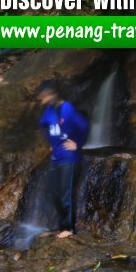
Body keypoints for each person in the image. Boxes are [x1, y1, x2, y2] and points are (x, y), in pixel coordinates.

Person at [36, 80, 90, 239]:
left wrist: (77, 143)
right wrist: (51, 143)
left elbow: (84, 126)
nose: (42, 99)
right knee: (54, 191)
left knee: (67, 194)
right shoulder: (49, 111)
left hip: (70, 158)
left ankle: (69, 228)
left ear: (53, 94)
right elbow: (42, 125)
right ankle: (61, 226)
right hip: (56, 158)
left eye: (44, 96)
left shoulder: (68, 109)